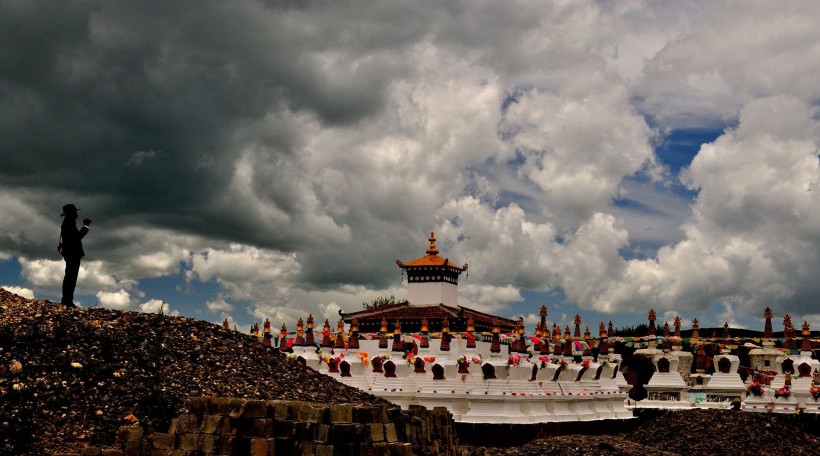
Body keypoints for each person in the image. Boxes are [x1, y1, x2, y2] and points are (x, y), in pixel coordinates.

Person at [59, 204, 91, 307]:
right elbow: (77, 237)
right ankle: (67, 300)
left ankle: (67, 299)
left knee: (70, 276)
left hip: (70, 253)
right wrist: (86, 226)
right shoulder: (69, 223)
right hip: (72, 253)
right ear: (72, 213)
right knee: (71, 276)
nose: (77, 214)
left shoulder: (68, 223)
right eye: (75, 212)